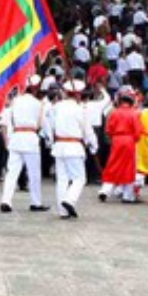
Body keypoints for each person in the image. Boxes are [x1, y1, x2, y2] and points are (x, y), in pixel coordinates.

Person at [44, 80, 97, 219]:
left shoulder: (56, 107)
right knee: (79, 178)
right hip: (73, 146)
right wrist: (93, 144)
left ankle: (63, 210)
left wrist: (50, 140)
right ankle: (69, 200)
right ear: (78, 95)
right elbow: (87, 130)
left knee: (62, 179)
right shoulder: (80, 109)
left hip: (59, 146)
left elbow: (49, 125)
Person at [0, 75, 48, 213]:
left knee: (12, 172)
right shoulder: (38, 103)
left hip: (16, 137)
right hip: (30, 138)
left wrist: (7, 139)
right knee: (34, 173)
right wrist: (50, 138)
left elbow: (7, 121)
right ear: (35, 88)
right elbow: (43, 124)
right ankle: (35, 202)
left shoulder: (14, 101)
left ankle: (6, 200)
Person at [99, 92, 139, 203]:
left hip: (116, 140)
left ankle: (105, 190)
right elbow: (138, 132)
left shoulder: (114, 113)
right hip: (129, 140)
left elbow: (108, 130)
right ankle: (127, 195)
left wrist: (114, 138)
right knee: (128, 167)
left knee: (113, 164)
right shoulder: (134, 114)